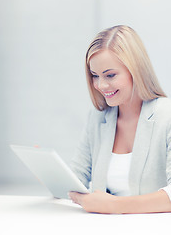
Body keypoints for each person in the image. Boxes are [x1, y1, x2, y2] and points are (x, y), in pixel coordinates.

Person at [69, 25, 171, 214]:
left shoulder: (167, 115)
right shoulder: (98, 117)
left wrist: (115, 206)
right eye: (94, 76)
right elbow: (77, 177)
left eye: (110, 75)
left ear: (136, 70)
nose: (100, 85)